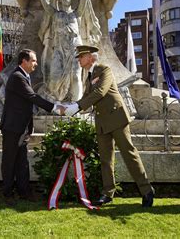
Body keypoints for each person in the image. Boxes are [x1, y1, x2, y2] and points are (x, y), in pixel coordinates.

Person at [64, 45, 154, 208]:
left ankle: (147, 191)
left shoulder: (104, 69)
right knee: (106, 159)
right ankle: (108, 193)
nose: (79, 60)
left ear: (91, 57)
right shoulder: (89, 76)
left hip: (116, 118)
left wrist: (76, 107)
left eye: (81, 57)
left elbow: (100, 93)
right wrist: (68, 107)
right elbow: (87, 98)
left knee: (129, 155)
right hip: (102, 122)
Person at [0, 49, 65, 206]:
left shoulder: (23, 76)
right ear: (24, 61)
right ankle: (7, 193)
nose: (36, 63)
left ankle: (24, 191)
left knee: (22, 161)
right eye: (34, 60)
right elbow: (33, 97)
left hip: (21, 128)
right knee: (10, 161)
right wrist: (55, 107)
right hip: (13, 128)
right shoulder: (17, 77)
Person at [39, 0, 102, 102]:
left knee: (76, 77)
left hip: (75, 49)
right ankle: (56, 102)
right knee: (54, 76)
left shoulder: (76, 14)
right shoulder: (55, 13)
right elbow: (44, 1)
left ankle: (75, 106)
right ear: (60, 0)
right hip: (59, 49)